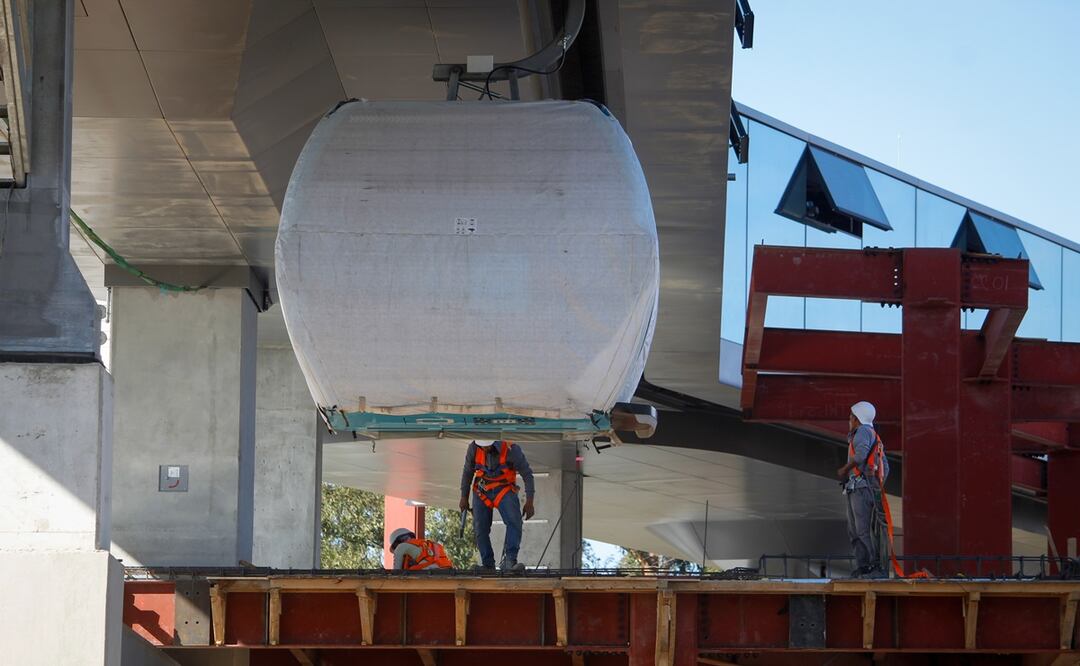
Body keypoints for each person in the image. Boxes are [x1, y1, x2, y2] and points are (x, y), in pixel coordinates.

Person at [459, 439, 535, 571]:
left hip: (504, 488)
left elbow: (527, 474)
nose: (485, 449)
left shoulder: (511, 449)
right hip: (482, 489)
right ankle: (488, 565)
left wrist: (530, 501)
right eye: (482, 447)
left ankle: (510, 561)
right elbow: (467, 472)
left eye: (488, 446)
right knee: (480, 527)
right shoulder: (474, 448)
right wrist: (463, 497)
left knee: (514, 522)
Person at [836, 401, 890, 578]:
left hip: (861, 488)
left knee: (862, 531)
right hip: (858, 487)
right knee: (855, 531)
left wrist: (844, 469)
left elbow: (860, 456)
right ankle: (864, 566)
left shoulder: (862, 432)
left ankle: (873, 566)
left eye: (851, 417)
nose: (849, 420)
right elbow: (885, 467)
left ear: (857, 419)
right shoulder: (870, 434)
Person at [388, 527, 454, 571]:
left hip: (429, 572)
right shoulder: (426, 545)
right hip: (445, 571)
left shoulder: (402, 547)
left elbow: (397, 572)